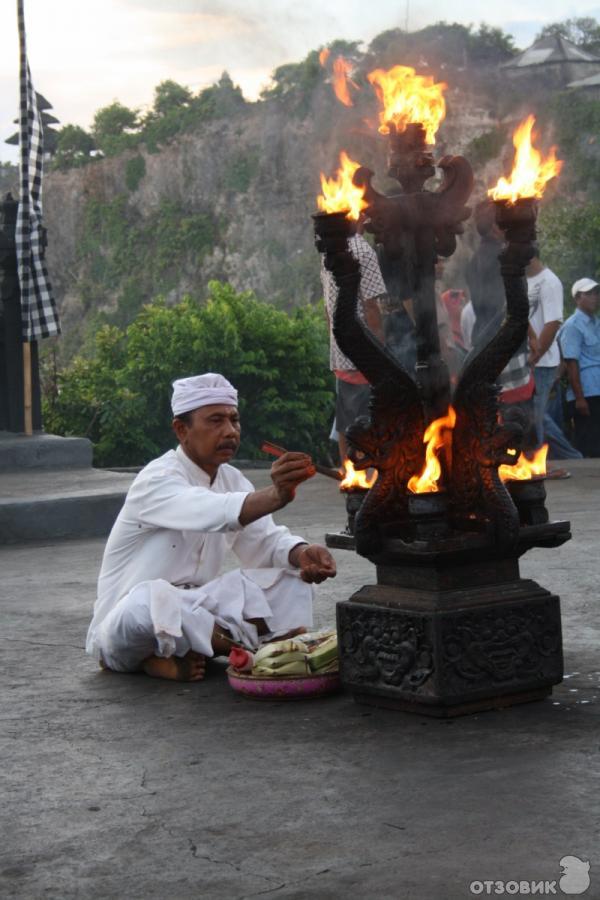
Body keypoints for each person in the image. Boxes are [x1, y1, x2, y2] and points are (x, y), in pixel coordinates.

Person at [86, 373, 337, 681]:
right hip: (128, 622)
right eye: (216, 421)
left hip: (196, 607)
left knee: (291, 583)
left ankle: (215, 644)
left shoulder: (232, 479)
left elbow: (265, 542)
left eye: (234, 420)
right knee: (150, 600)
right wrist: (275, 495)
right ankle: (238, 648)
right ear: (181, 430)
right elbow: (211, 510)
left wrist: (302, 554)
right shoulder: (156, 479)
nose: (230, 431)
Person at [321, 231, 386, 463]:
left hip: (341, 350)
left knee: (346, 419)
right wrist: (381, 351)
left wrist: (337, 343)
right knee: (369, 419)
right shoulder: (363, 251)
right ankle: (368, 477)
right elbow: (371, 307)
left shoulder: (330, 249)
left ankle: (348, 475)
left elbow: (328, 309)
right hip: (363, 352)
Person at [526, 247, 564, 446]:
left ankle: (537, 467)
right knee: (535, 417)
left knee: (536, 417)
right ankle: (571, 457)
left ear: (530, 254)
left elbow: (553, 323)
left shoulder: (549, 282)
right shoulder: (524, 280)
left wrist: (535, 356)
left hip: (542, 363)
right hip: (529, 362)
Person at [559, 278, 600, 457]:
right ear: (577, 298)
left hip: (597, 390)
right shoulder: (572, 326)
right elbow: (571, 363)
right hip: (586, 393)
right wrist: (579, 398)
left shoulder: (596, 322)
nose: (594, 298)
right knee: (589, 442)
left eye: (596, 293)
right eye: (588, 294)